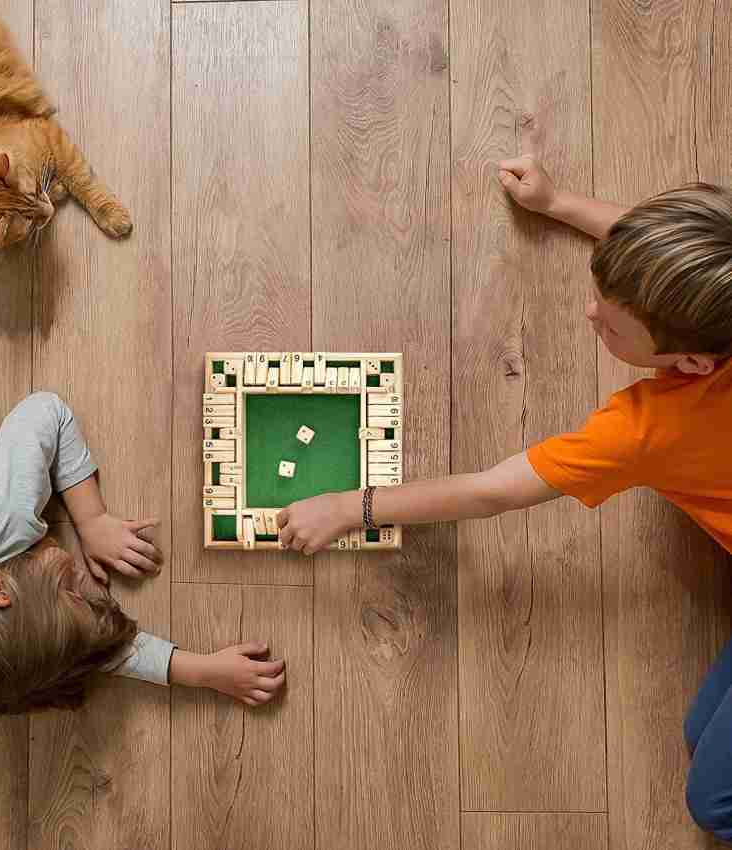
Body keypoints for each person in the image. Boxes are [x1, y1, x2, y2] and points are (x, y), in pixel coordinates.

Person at [275, 156, 732, 842]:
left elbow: (492, 491)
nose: (590, 314)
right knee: (702, 734)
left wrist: (350, 507)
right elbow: (667, 252)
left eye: (611, 326)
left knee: (713, 803)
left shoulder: (645, 430)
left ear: (694, 362)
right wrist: (561, 203)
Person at [0, 364, 285, 714]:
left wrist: (91, 519)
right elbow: (69, 646)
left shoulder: (7, 520)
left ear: (2, 588)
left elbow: (45, 410)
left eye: (73, 591)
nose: (87, 584)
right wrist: (198, 670)